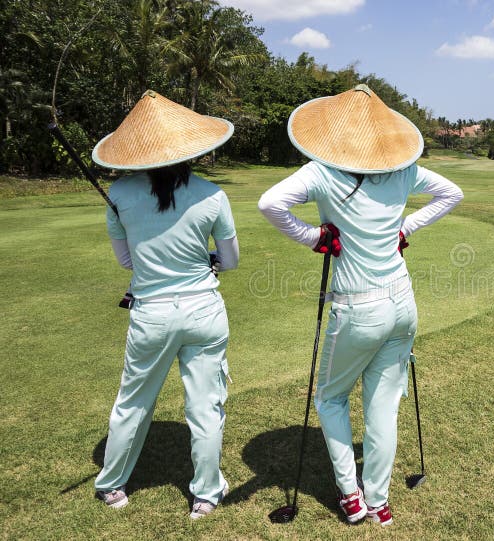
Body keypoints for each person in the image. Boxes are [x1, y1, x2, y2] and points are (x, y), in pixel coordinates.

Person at [258, 84, 463, 526]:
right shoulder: (405, 172)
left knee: (331, 398)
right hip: (402, 304)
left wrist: (314, 237)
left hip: (357, 308)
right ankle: (379, 504)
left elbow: (270, 203)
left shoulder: (321, 172)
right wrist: (407, 227)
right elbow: (452, 194)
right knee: (383, 406)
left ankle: (351, 496)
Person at [92, 90, 239, 519]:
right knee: (205, 405)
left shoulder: (118, 194)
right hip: (204, 312)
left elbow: (126, 260)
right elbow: (228, 261)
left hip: (152, 313)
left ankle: (112, 485)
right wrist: (206, 260)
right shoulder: (213, 194)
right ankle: (206, 494)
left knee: (134, 400)